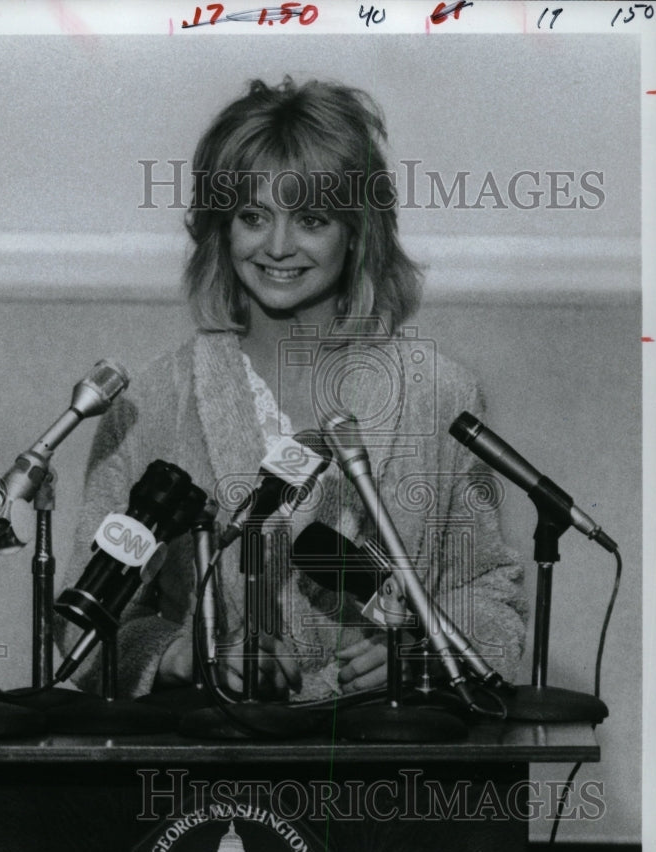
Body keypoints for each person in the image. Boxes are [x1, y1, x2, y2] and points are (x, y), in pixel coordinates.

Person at [56, 77, 527, 704]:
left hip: (393, 767)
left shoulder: (438, 391)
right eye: (253, 216)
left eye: (310, 218)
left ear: (358, 230)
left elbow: (489, 591)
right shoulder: (156, 403)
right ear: (221, 228)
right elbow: (81, 626)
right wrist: (184, 653)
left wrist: (423, 651)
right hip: (210, 774)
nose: (278, 247)